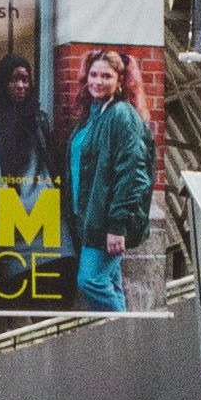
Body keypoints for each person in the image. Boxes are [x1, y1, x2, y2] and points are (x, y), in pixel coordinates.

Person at [61, 47, 152, 312]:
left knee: (91, 281)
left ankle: (127, 335)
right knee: (111, 284)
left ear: (120, 81)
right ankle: (128, 345)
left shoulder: (121, 115)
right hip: (87, 219)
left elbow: (134, 175)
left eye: (106, 76)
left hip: (105, 223)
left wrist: (117, 226)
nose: (97, 82)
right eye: (93, 74)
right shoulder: (91, 116)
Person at [0, 53, 58, 218]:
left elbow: (51, 163)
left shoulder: (39, 118)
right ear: (3, 83)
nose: (20, 86)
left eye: (25, 80)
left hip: (38, 207)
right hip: (4, 206)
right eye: (13, 80)